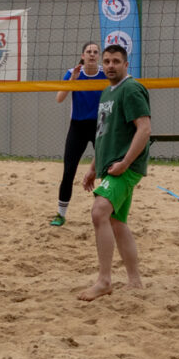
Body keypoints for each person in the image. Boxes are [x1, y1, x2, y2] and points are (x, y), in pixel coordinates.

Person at [81, 38, 152, 301]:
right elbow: (103, 134)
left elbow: (144, 129)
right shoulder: (108, 91)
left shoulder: (131, 89)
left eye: (116, 62)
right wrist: (93, 167)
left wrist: (125, 163)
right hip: (110, 166)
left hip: (124, 166)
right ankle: (134, 280)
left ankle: (104, 281)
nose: (110, 66)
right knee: (117, 222)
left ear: (126, 64)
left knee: (99, 212)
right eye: (107, 61)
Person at [52, 39, 105, 227]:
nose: (92, 54)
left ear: (99, 56)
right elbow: (59, 98)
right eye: (89, 52)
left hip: (100, 126)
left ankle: (109, 211)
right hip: (78, 126)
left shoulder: (105, 73)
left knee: (106, 170)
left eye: (95, 52)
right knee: (69, 170)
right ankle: (61, 214)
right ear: (83, 56)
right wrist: (72, 80)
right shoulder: (73, 73)